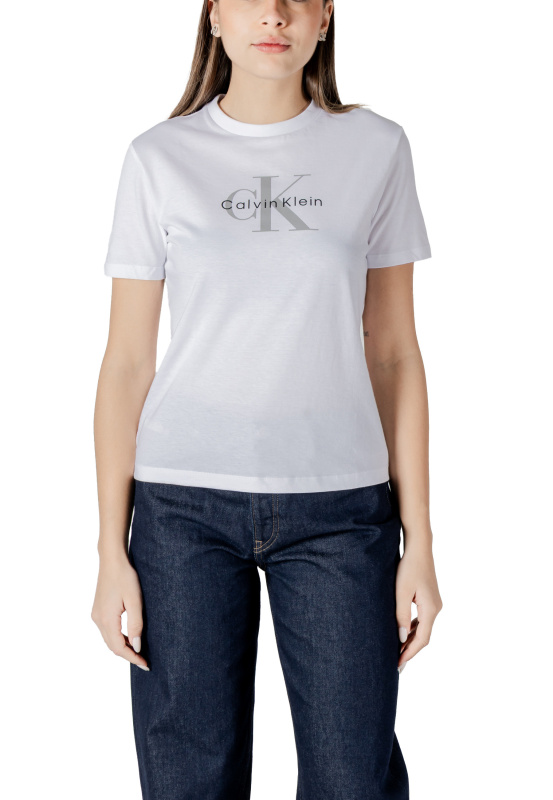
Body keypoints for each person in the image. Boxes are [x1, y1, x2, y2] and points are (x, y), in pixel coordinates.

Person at [91, 1, 443, 798]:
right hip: (181, 507)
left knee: (351, 777)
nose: (274, 14)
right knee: (188, 778)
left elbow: (393, 352)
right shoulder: (158, 157)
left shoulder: (375, 149)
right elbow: (125, 364)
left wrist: (419, 540)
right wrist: (111, 550)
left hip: (341, 509)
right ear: (214, 15)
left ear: (325, 17)